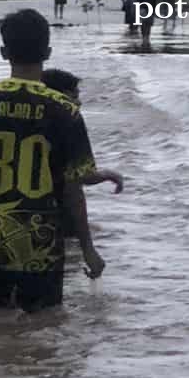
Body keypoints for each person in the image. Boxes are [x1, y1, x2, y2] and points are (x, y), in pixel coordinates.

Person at [0, 9, 109, 310]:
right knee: (44, 328)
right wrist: (88, 248)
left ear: (3, 52)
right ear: (47, 52)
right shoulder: (66, 110)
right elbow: (73, 188)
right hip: (43, 241)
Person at [41, 67, 123, 279]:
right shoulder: (67, 118)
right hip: (56, 218)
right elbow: (77, 181)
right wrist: (88, 248)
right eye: (74, 95)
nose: (78, 102)